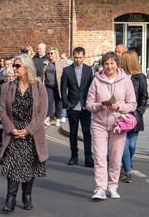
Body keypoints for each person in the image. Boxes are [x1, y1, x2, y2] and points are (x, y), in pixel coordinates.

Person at [0, 54, 48, 213]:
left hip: (31, 132)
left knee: (29, 166)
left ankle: (27, 195)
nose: (14, 68)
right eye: (14, 66)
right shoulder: (8, 86)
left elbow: (42, 112)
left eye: (17, 66)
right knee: (13, 165)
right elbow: (3, 110)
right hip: (13, 131)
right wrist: (11, 128)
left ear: (27, 68)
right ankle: (10, 198)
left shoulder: (39, 86)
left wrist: (28, 130)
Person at [86, 51, 136, 201]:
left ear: (117, 64)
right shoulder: (96, 80)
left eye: (112, 63)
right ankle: (100, 188)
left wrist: (118, 107)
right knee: (100, 157)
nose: (109, 66)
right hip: (99, 123)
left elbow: (132, 104)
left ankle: (112, 187)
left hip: (118, 124)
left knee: (115, 158)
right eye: (106, 63)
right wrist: (99, 105)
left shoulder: (125, 80)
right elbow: (88, 104)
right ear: (103, 65)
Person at [61, 47, 94, 167]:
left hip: (86, 107)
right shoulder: (67, 70)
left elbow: (92, 88)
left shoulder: (89, 69)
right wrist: (66, 105)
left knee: (87, 133)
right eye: (76, 57)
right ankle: (74, 156)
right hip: (72, 107)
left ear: (84, 57)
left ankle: (88, 158)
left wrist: (91, 103)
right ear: (73, 57)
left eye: (80, 57)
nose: (78, 60)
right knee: (73, 133)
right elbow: (63, 89)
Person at [120, 51, 148, 183]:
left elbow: (144, 95)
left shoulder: (140, 77)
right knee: (124, 144)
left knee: (132, 145)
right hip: (121, 115)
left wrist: (140, 111)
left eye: (122, 59)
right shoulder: (120, 76)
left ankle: (127, 163)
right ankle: (126, 170)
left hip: (135, 115)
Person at [42, 47, 66, 127]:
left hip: (58, 85)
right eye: (48, 53)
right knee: (48, 101)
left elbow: (65, 74)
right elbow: (43, 74)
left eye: (51, 53)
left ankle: (58, 119)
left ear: (56, 54)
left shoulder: (61, 62)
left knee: (59, 101)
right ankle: (48, 118)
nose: (49, 55)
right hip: (48, 85)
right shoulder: (46, 63)